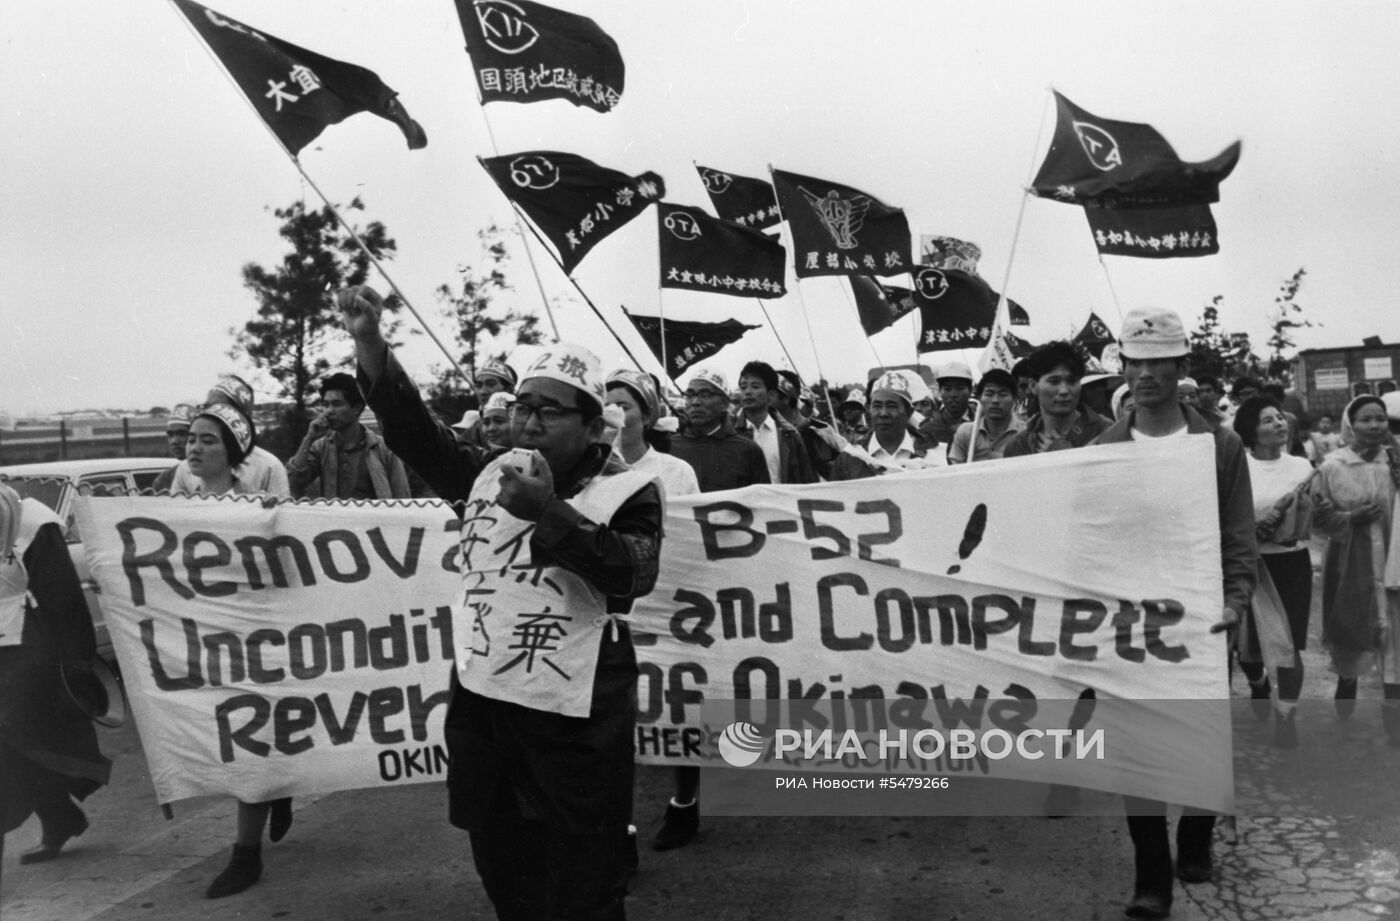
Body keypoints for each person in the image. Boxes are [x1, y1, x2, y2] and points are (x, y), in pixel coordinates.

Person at [339, 285, 662, 921]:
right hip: (487, 707)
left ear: (593, 426)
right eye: (524, 406)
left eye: (551, 411)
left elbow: (634, 574)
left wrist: (548, 513)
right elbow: (413, 432)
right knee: (504, 870)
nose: (530, 422)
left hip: (576, 719)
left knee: (584, 886)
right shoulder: (488, 471)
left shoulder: (630, 489)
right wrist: (371, 343)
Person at [1093, 307, 1256, 920]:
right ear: (1124, 367)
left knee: (1200, 738)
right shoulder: (1103, 448)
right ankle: (1151, 874)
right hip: (1130, 623)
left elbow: (1238, 534)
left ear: (1180, 367)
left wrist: (1235, 601)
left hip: (1203, 617)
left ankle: (1196, 835)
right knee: (1136, 749)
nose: (1145, 374)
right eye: (1135, 361)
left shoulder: (1219, 444)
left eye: (1159, 361)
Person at [184, 403, 296, 898]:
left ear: (232, 452)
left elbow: (284, 573)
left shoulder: (257, 511)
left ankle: (245, 855)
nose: (194, 447)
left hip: (254, 643)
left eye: (208, 439)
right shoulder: (175, 508)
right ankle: (280, 788)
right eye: (191, 438)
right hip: (206, 644)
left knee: (247, 744)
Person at [0, 484, 112, 872]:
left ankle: (59, 816)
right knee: (17, 749)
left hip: (28, 651)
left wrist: (77, 661)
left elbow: (63, 597)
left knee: (17, 745)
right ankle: (59, 815)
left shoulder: (31, 521)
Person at [1312, 395, 1400, 742]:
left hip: (1393, 560)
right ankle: (1347, 678)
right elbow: (1317, 517)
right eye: (1366, 419)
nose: (1375, 426)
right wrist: (1349, 517)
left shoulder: (1394, 462)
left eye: (1381, 419)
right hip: (1351, 560)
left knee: (1395, 641)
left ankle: (1393, 718)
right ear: (1351, 424)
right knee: (1353, 625)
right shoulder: (1333, 465)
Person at [1233, 395, 1316, 747]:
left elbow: (1314, 514)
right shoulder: (1237, 469)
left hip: (1291, 564)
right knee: (1245, 647)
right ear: (1251, 430)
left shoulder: (1301, 466)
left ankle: (1287, 715)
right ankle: (1257, 682)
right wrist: (1254, 528)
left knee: (1288, 646)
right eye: (1268, 420)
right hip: (1249, 564)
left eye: (1280, 418)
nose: (1279, 424)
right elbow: (1226, 520)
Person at [286, 373, 411, 500]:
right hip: (336, 518)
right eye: (325, 404)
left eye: (337, 404)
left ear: (357, 408)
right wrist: (309, 438)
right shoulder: (321, 447)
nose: (329, 411)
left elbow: (402, 496)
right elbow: (294, 481)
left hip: (375, 519)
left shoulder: (383, 448)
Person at [168, 375, 291, 498]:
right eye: (207, 407)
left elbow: (282, 512)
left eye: (221, 408)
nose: (212, 413)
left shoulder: (270, 467)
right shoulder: (185, 469)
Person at [1003, 342, 1111, 458]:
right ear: (1033, 386)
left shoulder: (1107, 432)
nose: (1064, 390)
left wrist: (1069, 457)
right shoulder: (1018, 446)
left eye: (1072, 381)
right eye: (1054, 382)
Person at [830, 371, 940, 479]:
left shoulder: (932, 453)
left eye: (891, 406)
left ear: (909, 412)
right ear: (868, 410)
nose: (883, 413)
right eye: (877, 406)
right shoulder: (851, 457)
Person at [733, 361, 817, 484]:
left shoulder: (790, 436)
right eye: (743, 387)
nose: (747, 392)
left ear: (771, 395)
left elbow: (806, 481)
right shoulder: (731, 433)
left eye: (755, 386)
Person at [948, 369, 1023, 463]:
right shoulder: (966, 432)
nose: (995, 400)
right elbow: (955, 469)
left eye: (1003, 394)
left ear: (1015, 399)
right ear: (979, 398)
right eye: (989, 394)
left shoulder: (1025, 434)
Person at [918, 360, 975, 447]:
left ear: (971, 390)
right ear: (940, 391)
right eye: (947, 389)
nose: (953, 394)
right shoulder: (927, 432)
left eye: (959, 388)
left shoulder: (985, 423)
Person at [151, 403, 195, 493]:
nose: (174, 441)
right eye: (170, 435)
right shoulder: (165, 479)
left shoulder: (220, 475)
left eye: (182, 434)